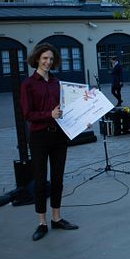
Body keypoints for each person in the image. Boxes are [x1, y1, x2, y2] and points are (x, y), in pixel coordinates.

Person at [20, 43, 79, 241]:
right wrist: (49, 114)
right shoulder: (28, 84)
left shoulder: (57, 83)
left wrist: (82, 120)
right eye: (45, 58)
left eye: (51, 59)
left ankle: (56, 218)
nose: (48, 62)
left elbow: (66, 110)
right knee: (40, 180)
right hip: (39, 137)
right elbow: (28, 114)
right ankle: (42, 223)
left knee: (58, 179)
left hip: (58, 136)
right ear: (37, 59)